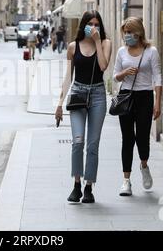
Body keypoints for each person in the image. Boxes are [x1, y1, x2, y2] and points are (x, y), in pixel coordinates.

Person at [55, 11, 112, 203]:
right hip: (78, 94)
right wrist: (59, 103)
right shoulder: (72, 47)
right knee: (77, 141)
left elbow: (103, 67)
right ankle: (76, 184)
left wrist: (97, 41)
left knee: (93, 145)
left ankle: (89, 187)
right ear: (83, 25)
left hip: (97, 95)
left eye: (96, 24)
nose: (93, 27)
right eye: (90, 24)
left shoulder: (105, 43)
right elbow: (68, 77)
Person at [113, 17, 163, 197]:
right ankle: (126, 181)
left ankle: (144, 165)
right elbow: (114, 76)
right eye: (125, 32)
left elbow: (158, 77)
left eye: (130, 32)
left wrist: (157, 102)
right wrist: (124, 73)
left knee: (142, 137)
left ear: (138, 33)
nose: (127, 36)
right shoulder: (121, 52)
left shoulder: (151, 52)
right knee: (127, 138)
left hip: (145, 97)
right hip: (126, 97)